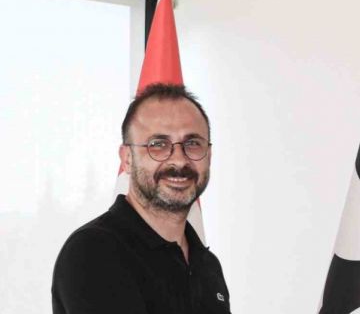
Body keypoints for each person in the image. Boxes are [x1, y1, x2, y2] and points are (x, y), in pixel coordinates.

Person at [52, 83, 231, 314]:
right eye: (158, 145)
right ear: (127, 158)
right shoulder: (94, 252)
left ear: (209, 155)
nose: (179, 160)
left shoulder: (208, 265)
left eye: (193, 143)